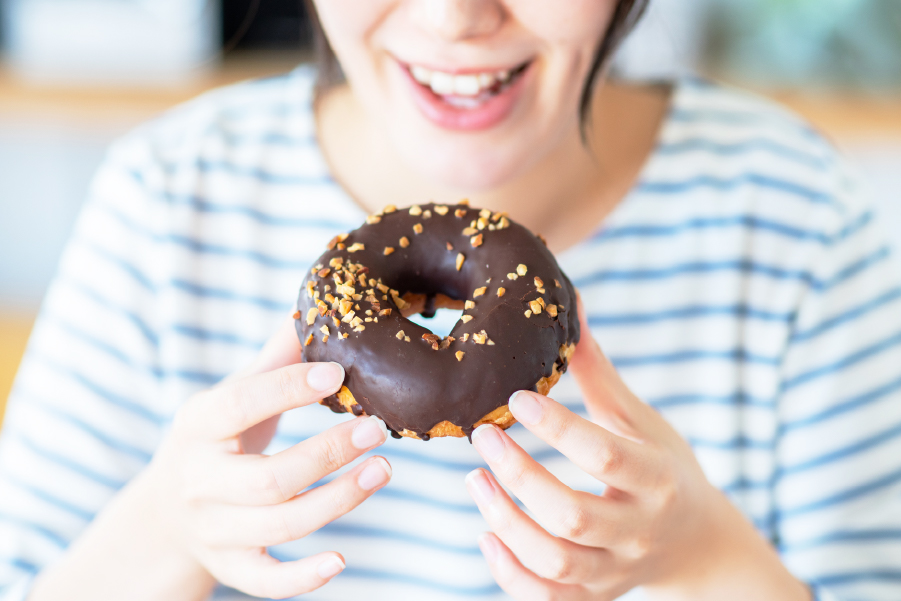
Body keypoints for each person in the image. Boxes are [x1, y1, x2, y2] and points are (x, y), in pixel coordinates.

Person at [2, 1, 900, 599]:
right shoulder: (169, 200)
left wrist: (706, 555)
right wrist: (167, 526)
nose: (455, 18)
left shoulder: (794, 218)